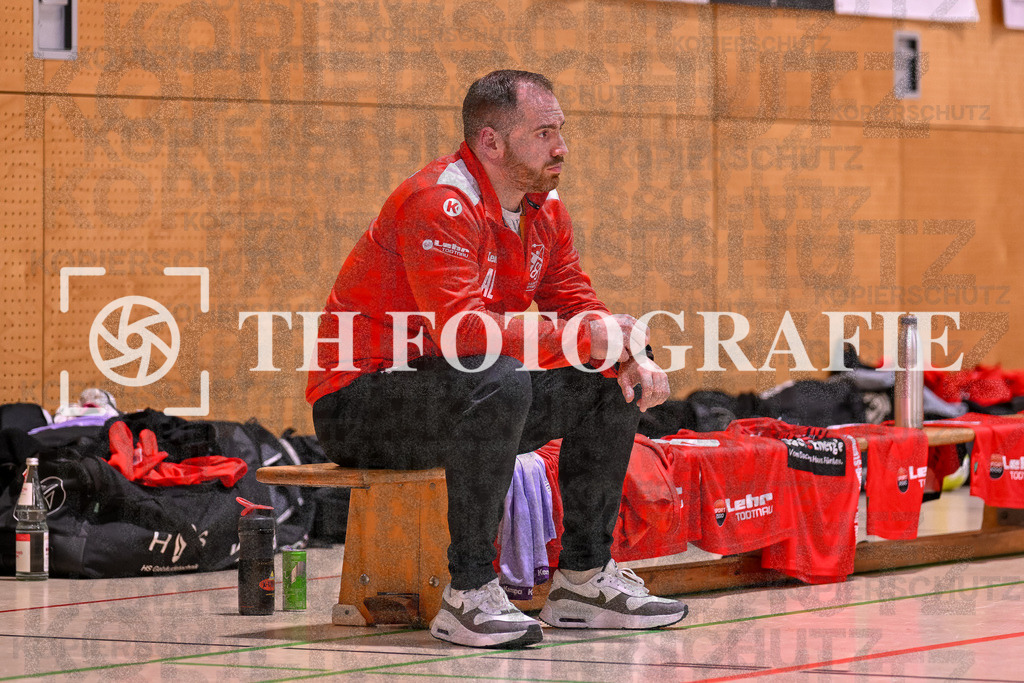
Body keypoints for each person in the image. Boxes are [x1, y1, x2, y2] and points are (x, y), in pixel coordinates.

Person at [307, 69, 688, 648]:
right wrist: (586, 338)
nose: (560, 146)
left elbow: (572, 297)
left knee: (606, 380)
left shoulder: (544, 208)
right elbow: (464, 336)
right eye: (542, 133)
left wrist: (626, 354)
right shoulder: (437, 202)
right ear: (491, 141)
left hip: (461, 391)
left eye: (560, 130)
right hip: (361, 402)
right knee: (502, 377)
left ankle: (583, 580)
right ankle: (468, 593)